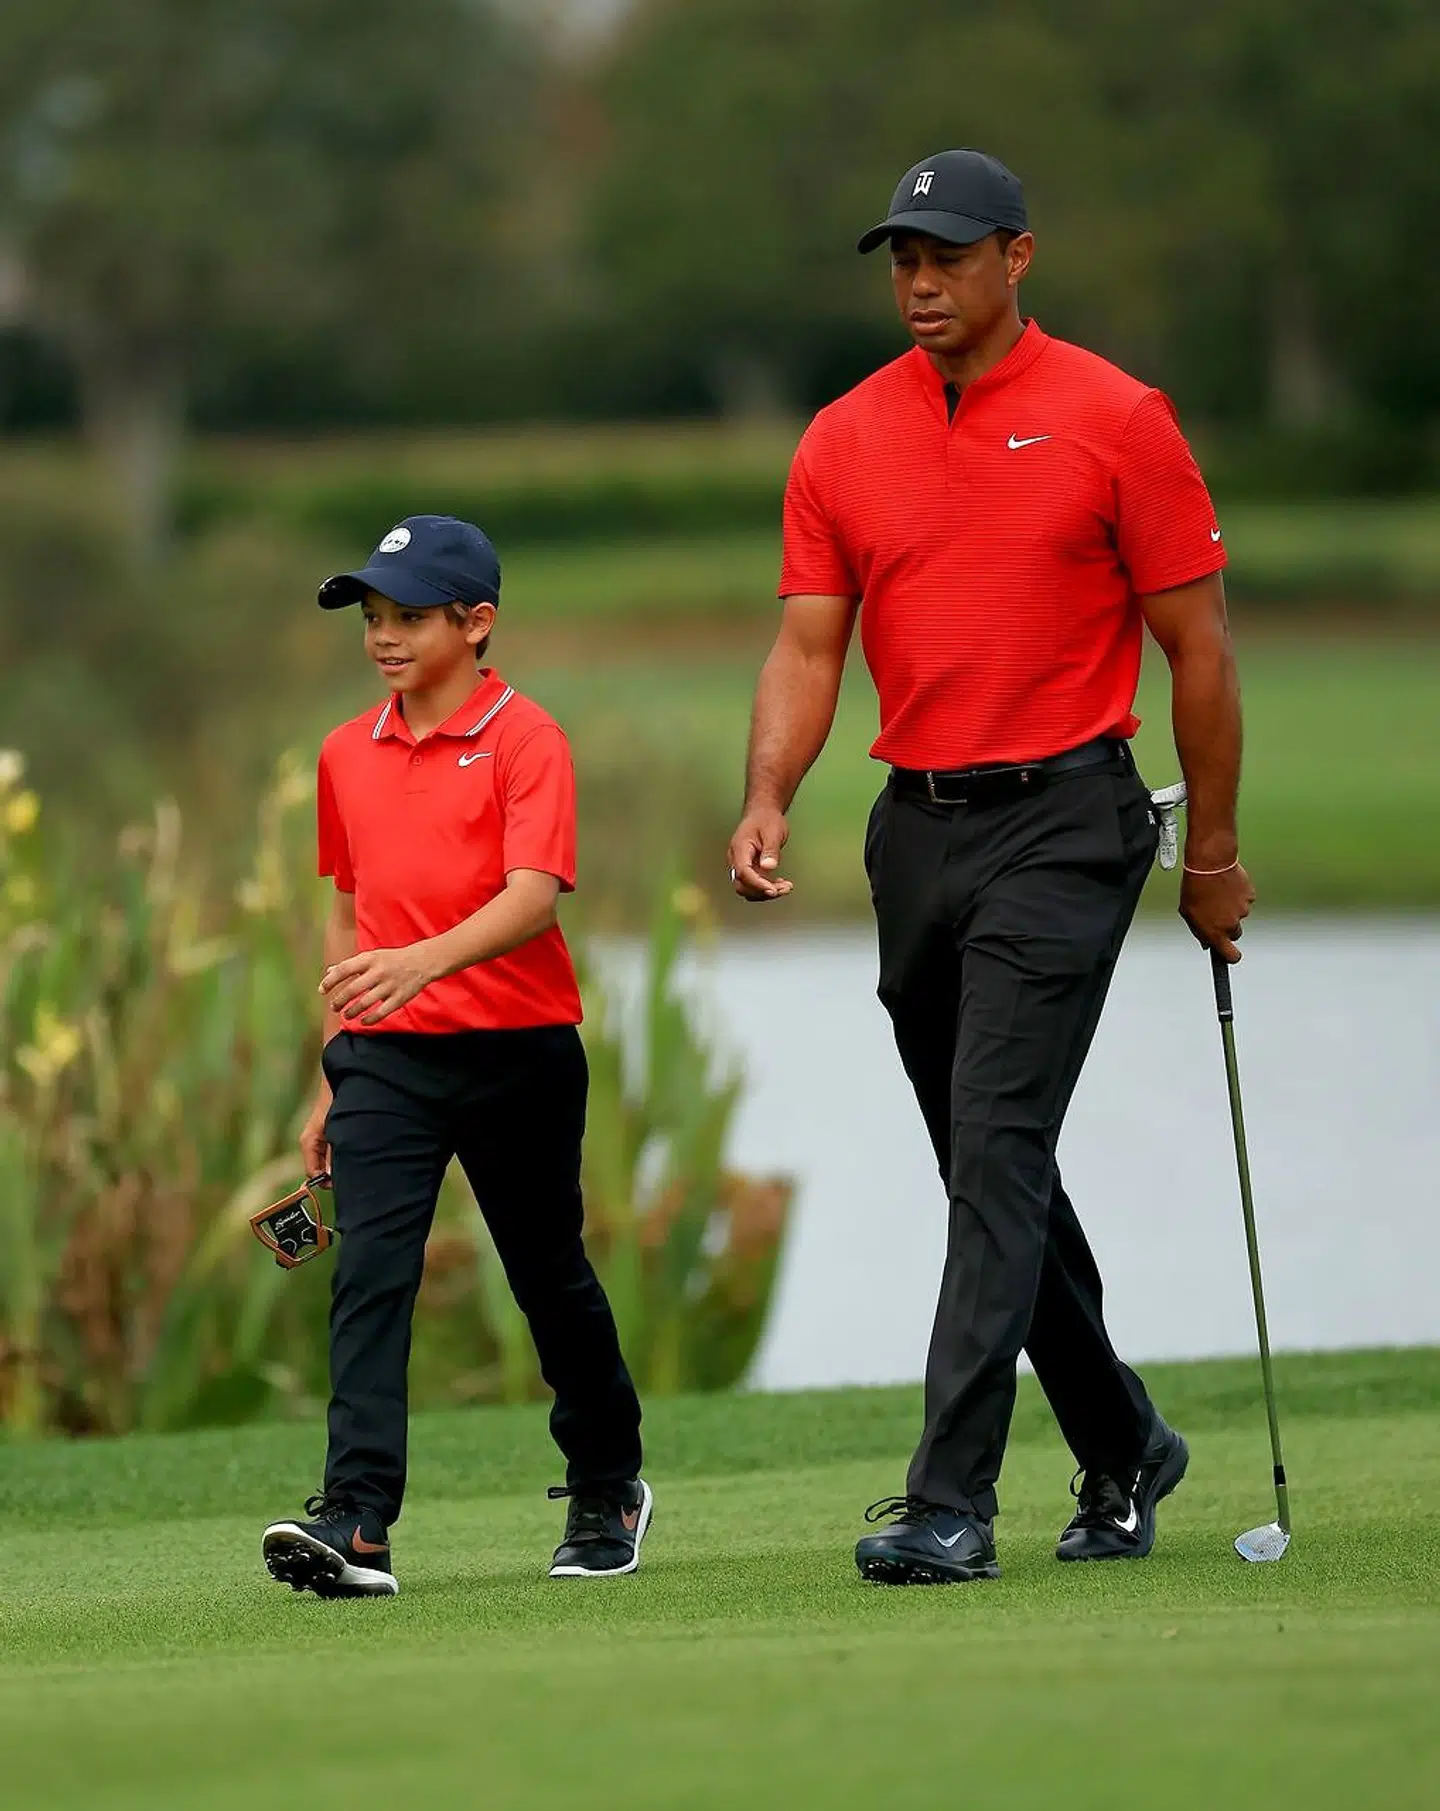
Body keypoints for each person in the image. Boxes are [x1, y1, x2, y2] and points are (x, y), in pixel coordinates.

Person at [727, 150, 1255, 1585]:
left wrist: (1208, 853)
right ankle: (1126, 1438)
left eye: (946, 255)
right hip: (919, 827)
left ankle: (951, 1496)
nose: (918, 281)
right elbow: (807, 643)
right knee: (986, 1160)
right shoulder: (841, 438)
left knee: (998, 1149)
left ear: (1016, 258)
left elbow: (1197, 649)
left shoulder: (1116, 418)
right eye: (901, 256)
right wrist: (770, 790)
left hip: (1070, 822)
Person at [262, 515, 650, 1597]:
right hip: (385, 1055)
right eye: (373, 618)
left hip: (518, 1049)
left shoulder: (529, 739)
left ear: (475, 623)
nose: (385, 637)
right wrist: (329, 1069)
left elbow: (532, 900)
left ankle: (607, 1481)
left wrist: (417, 964)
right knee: (371, 1275)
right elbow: (351, 915)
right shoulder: (346, 750)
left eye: (408, 617)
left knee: (546, 1275)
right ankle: (357, 1519)